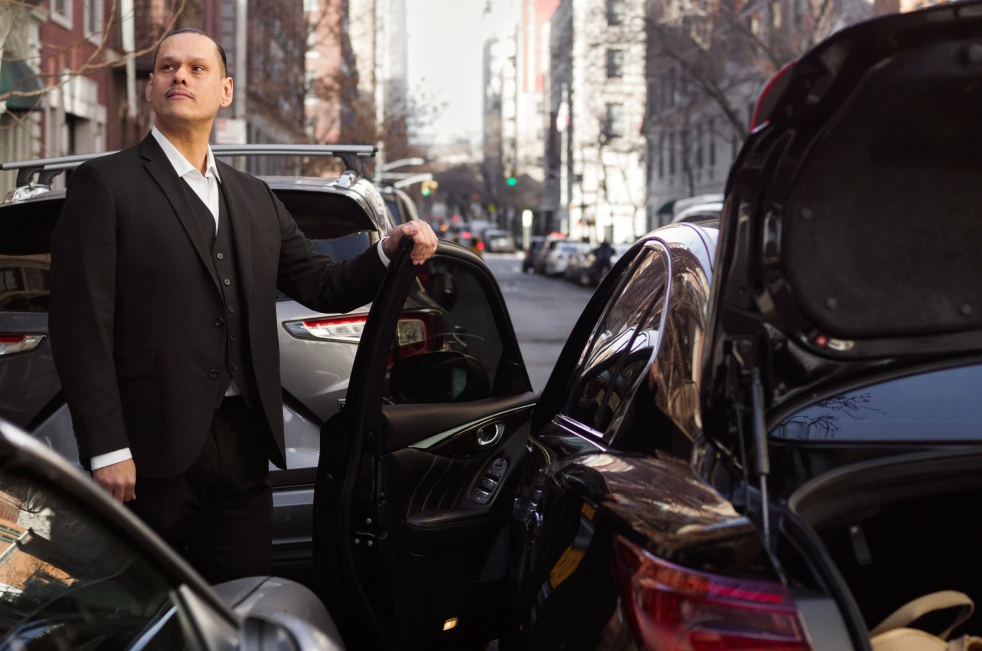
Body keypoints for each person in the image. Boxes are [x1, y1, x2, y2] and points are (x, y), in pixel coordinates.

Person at [47, 28, 438, 584]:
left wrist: (387, 250)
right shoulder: (105, 185)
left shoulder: (254, 196)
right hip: (149, 448)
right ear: (152, 88)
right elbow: (79, 324)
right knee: (152, 614)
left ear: (225, 90)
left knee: (240, 605)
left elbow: (323, 284)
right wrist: (107, 447)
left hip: (245, 446)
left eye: (197, 68)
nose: (179, 75)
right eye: (166, 67)